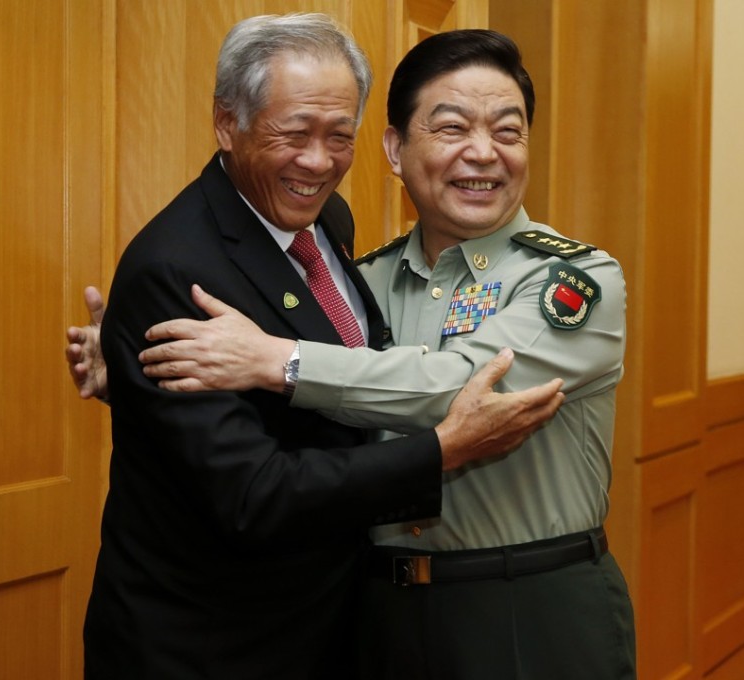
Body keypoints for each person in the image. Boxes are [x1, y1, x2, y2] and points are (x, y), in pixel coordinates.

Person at [76, 15, 567, 680]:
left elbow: (345, 389)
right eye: (294, 133)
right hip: (213, 645)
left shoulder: (324, 220)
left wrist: (133, 390)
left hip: (324, 622)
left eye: (340, 136)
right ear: (228, 123)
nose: (318, 161)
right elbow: (254, 497)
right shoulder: (177, 271)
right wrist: (443, 449)